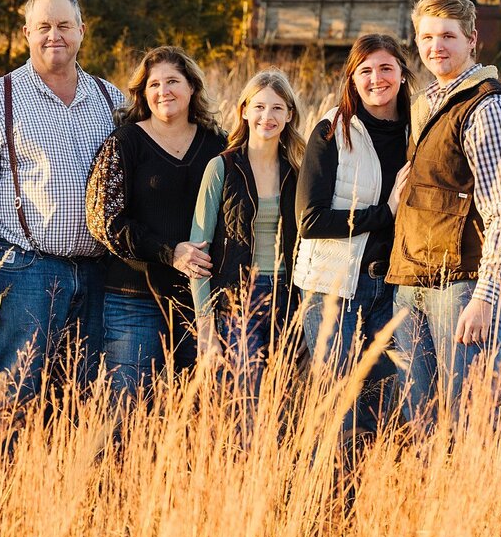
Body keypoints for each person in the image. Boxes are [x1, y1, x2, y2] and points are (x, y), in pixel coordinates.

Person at [0, 0, 123, 407]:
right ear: (27, 32)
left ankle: (58, 473)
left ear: (81, 31)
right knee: (11, 393)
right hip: (24, 270)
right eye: (43, 26)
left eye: (64, 26)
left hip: (98, 274)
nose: (54, 35)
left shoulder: (111, 99)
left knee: (80, 397)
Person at [387, 0, 501, 428]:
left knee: (471, 423)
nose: (436, 47)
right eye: (426, 37)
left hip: (464, 289)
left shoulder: (488, 106)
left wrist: (487, 297)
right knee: (422, 423)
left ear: (472, 38)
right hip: (413, 282)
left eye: (448, 36)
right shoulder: (425, 103)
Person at [85, 46, 225, 403]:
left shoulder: (218, 145)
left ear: (192, 87)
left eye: (173, 81)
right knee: (126, 407)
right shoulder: (125, 143)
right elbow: (105, 221)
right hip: (133, 296)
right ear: (143, 94)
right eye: (154, 84)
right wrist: (169, 251)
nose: (164, 91)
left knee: (200, 406)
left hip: (201, 300)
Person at [293, 33, 413, 442]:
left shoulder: (420, 128)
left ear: (401, 73)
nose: (376, 78)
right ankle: (320, 498)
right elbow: (310, 219)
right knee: (335, 404)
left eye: (386, 68)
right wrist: (386, 212)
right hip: (333, 287)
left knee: (388, 399)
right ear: (352, 78)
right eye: (366, 70)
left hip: (395, 286)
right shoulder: (332, 129)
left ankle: (367, 493)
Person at [190, 68, 306, 401]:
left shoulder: (296, 173)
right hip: (237, 299)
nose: (266, 116)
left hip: (286, 299)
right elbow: (198, 252)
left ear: (288, 115)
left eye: (276, 108)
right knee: (244, 404)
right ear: (243, 110)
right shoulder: (222, 168)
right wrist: (206, 329)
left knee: (280, 402)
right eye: (258, 106)